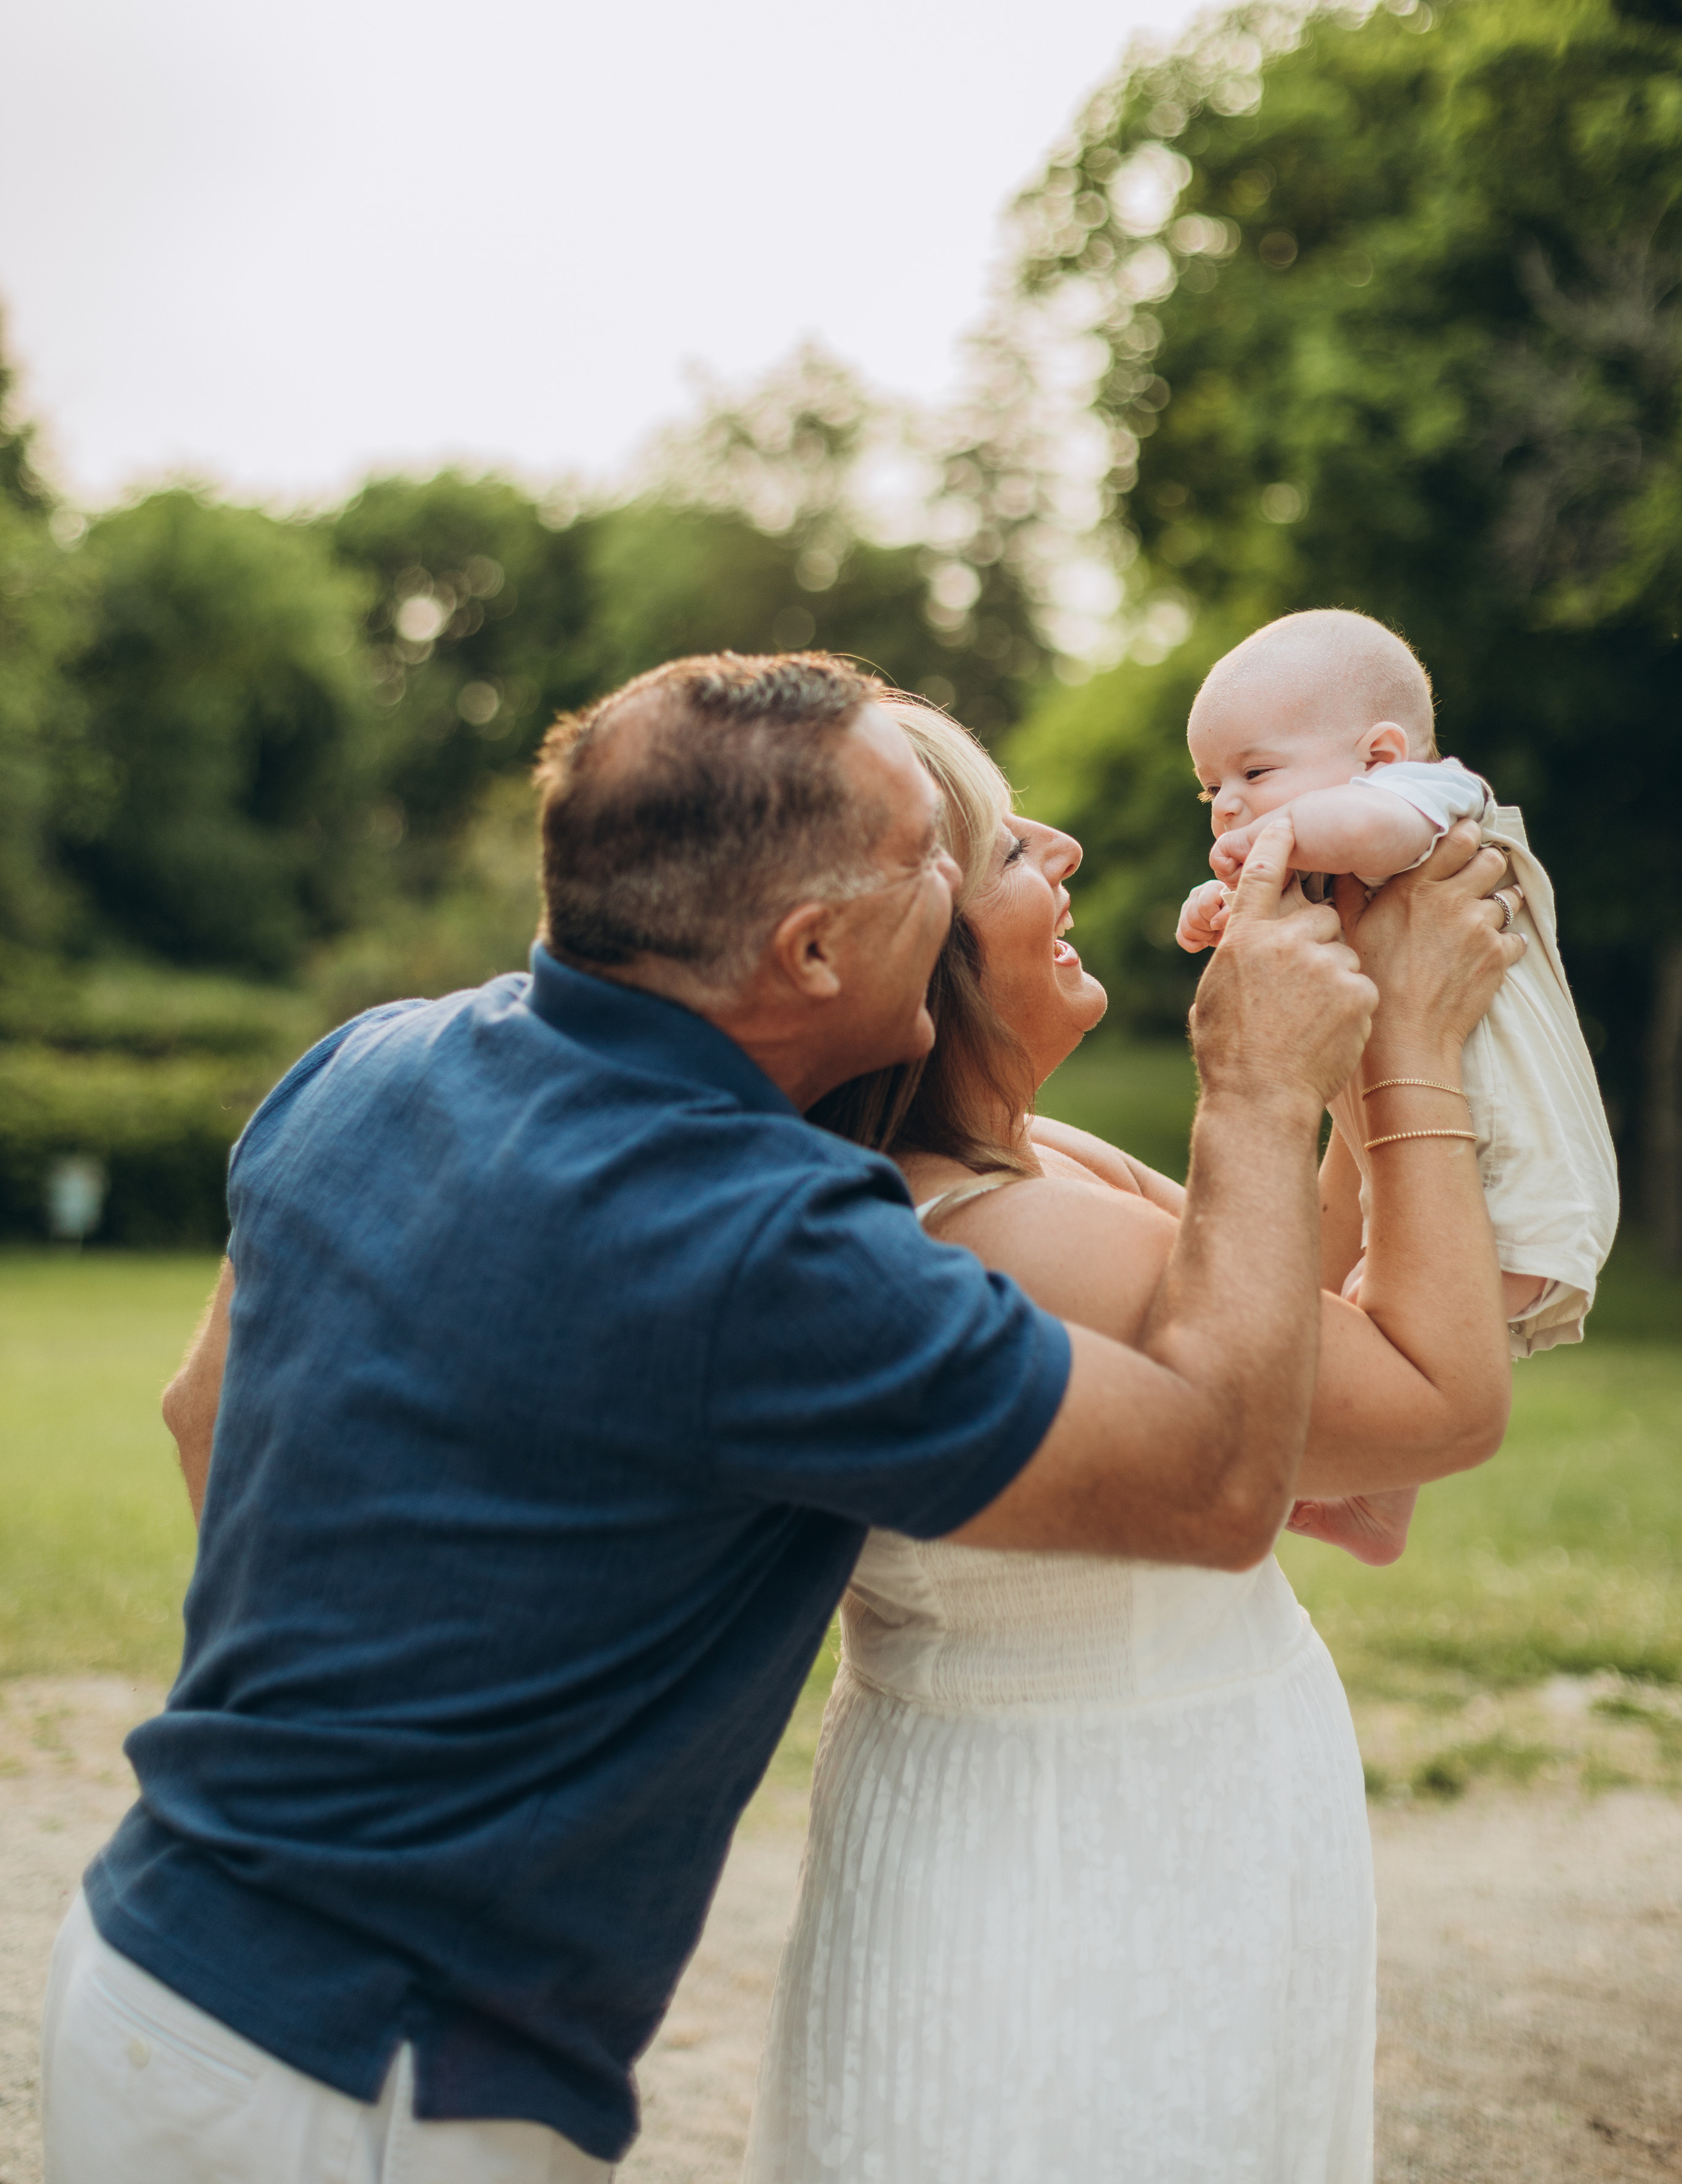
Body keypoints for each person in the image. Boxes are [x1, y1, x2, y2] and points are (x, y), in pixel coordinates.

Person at [41, 650, 1390, 2184]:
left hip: (143, 1960)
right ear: (812, 949)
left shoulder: (363, 1059)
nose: (970, 878)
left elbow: (198, 1418)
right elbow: (1217, 1482)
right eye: (929, 859)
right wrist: (1262, 1091)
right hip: (371, 2086)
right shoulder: (763, 1241)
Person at [744, 693, 1522, 2184]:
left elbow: (1341, 1453)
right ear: (905, 939)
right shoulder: (1000, 1234)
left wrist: (1340, 1035)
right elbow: (1427, 1400)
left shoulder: (1044, 1164)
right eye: (997, 843)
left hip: (1169, 1813)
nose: (1064, 846)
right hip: (1072, 1862)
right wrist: (1407, 1038)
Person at [1176, 608, 1618, 1352]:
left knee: (1504, 1182)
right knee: (1381, 1312)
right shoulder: (1324, 859)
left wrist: (1262, 844)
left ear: (1380, 756)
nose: (1225, 804)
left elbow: (1367, 831)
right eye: (1209, 788)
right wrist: (1226, 904)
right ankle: (1424, 1301)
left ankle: (1477, 1289)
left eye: (1253, 773)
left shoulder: (1427, 797)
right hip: (1418, 1140)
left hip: (1521, 1149)